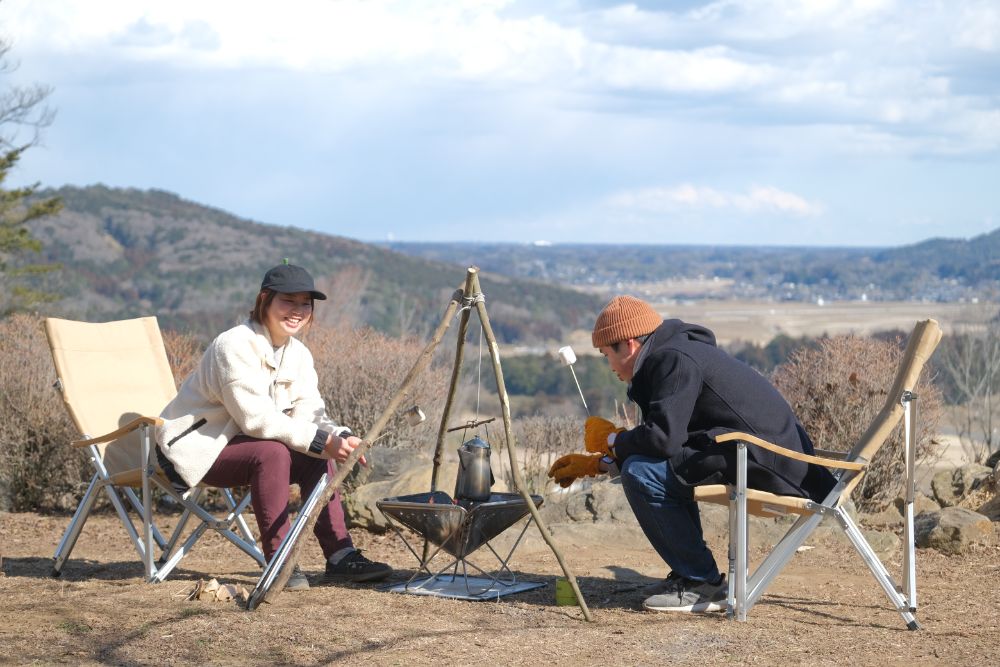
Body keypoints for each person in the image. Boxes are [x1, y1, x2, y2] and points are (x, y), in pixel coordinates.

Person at [547, 295, 834, 613]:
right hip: (764, 457)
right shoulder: (674, 353)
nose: (609, 366)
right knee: (651, 468)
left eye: (606, 355)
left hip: (770, 466)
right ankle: (692, 576)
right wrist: (600, 463)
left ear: (628, 345)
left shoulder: (673, 361)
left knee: (642, 473)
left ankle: (700, 583)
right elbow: (671, 443)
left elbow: (663, 442)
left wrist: (614, 440)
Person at [155, 262, 392, 590]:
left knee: (315, 454)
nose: (297, 311)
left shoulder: (299, 355)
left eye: (305, 304)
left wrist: (341, 437)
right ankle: (279, 560)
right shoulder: (234, 345)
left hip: (241, 443)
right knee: (273, 452)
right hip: (194, 448)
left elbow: (312, 414)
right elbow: (256, 418)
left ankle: (340, 555)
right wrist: (321, 440)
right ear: (264, 299)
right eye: (288, 301)